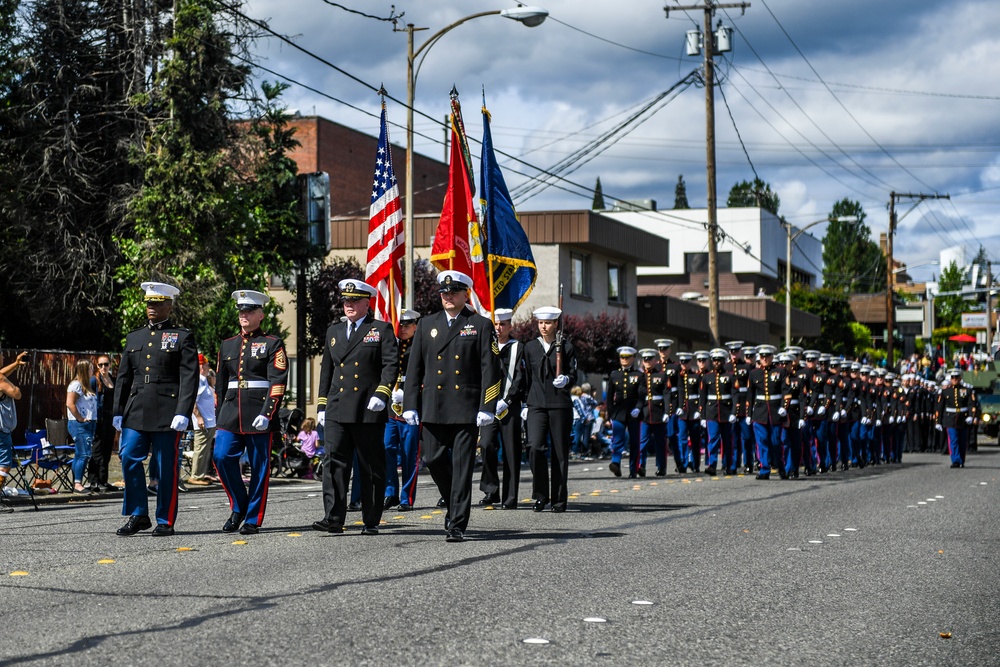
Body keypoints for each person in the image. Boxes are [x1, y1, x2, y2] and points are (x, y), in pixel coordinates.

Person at [403, 270, 500, 540]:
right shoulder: (426, 324)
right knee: (432, 459)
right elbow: (415, 368)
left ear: (465, 294)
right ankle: (452, 499)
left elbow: (490, 369)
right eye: (444, 293)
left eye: (454, 292)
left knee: (462, 467)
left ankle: (457, 522)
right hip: (434, 406)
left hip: (466, 408)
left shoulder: (480, 324)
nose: (448, 296)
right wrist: (410, 403)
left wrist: (487, 406)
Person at [113, 281, 199, 536]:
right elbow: (123, 377)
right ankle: (139, 514)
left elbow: (189, 377)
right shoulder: (134, 337)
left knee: (165, 467)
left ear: (169, 306)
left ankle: (165, 519)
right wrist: (118, 410)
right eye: (149, 303)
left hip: (167, 410)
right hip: (137, 408)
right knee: (128, 456)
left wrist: (183, 411)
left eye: (158, 303)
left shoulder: (182, 336)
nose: (152, 307)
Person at [313, 279, 397, 535]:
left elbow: (390, 365)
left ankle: (371, 519)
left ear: (367, 303)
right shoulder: (334, 331)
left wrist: (382, 393)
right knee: (334, 462)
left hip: (367, 407)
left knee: (370, 464)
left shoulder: (380, 329)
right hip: (338, 406)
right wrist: (321, 406)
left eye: (354, 300)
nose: (349, 305)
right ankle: (334, 517)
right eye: (346, 300)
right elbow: (327, 370)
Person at [214, 289, 288, 535]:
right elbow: (221, 384)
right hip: (231, 410)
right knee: (221, 456)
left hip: (259, 411)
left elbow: (278, 381)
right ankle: (239, 505)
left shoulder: (272, 343)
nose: (244, 314)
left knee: (259, 467)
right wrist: (219, 412)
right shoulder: (227, 345)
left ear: (260, 314)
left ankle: (253, 518)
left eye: (249, 310)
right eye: (241, 310)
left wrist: (267, 412)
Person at [522, 305, 578, 512]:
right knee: (535, 447)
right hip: (536, 404)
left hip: (559, 405)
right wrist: (524, 403)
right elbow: (526, 377)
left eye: (547, 323)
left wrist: (566, 379)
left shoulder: (566, 346)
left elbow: (574, 374)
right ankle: (541, 494)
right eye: (540, 323)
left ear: (556, 324)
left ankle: (559, 499)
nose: (543, 327)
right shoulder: (529, 347)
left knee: (560, 453)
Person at [478, 307, 526, 509]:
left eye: (503, 324)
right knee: (486, 445)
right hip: (489, 405)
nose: (499, 328)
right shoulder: (486, 346)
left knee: (511, 450)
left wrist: (507, 400)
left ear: (510, 326)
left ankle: (510, 496)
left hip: (509, 405)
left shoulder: (518, 347)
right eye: (496, 324)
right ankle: (491, 490)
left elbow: (521, 377)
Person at [384, 309, 421, 511]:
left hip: (411, 409)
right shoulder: (392, 347)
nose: (403, 329)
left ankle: (407, 497)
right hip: (391, 408)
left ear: (416, 326)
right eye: (400, 325)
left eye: (407, 325)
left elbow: (427, 378)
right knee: (387, 448)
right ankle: (390, 493)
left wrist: (407, 394)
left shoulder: (421, 348)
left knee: (409, 454)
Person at [745, 345, 785, 480]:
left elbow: (786, 391)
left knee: (775, 442)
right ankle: (764, 469)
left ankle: (780, 466)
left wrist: (784, 407)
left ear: (772, 357)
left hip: (775, 411)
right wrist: (748, 414)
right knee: (761, 441)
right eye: (762, 357)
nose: (765, 359)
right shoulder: (754, 373)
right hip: (760, 412)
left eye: (767, 356)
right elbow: (750, 395)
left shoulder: (780, 372)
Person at [700, 348, 738, 476]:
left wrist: (734, 412)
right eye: (715, 360)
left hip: (726, 412)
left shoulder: (730, 376)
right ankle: (712, 465)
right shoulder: (707, 377)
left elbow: (735, 395)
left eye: (719, 360)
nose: (716, 363)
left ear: (723, 361)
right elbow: (703, 397)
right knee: (713, 440)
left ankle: (729, 465)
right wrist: (703, 416)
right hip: (712, 412)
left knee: (728, 441)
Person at [607, 346, 642, 478]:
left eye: (627, 357)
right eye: (622, 357)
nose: (624, 360)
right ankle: (616, 463)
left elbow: (642, 395)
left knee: (634, 442)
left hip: (634, 413)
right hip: (618, 412)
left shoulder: (639, 375)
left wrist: (638, 408)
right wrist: (610, 414)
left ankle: (633, 469)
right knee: (618, 439)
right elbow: (610, 396)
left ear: (632, 358)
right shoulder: (614, 375)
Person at [66, 359, 98, 494]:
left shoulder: (86, 386)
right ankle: (77, 483)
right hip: (79, 424)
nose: (93, 371)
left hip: (90, 423)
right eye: (91, 368)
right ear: (85, 370)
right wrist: (80, 418)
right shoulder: (76, 385)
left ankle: (77, 481)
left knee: (83, 453)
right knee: (83, 454)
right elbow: (70, 403)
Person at [0, 352, 27, 512]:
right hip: (1, 429)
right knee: (4, 464)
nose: (3, 357)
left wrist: (16, 364)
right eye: (1, 354)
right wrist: (12, 384)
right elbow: (17, 394)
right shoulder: (1, 380)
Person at [934, 368, 977, 468]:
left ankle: (961, 459)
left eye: (956, 377)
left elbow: (971, 404)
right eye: (952, 377)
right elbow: (939, 407)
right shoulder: (945, 392)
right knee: (953, 440)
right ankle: (956, 460)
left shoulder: (967, 390)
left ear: (960, 378)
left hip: (963, 418)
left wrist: (971, 416)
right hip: (950, 418)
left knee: (962, 441)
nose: (954, 379)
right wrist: (938, 421)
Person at [636, 348, 669, 476]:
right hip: (644, 413)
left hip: (658, 412)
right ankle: (641, 466)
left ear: (655, 360)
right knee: (642, 442)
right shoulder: (640, 376)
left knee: (660, 442)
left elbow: (666, 394)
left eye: (650, 359)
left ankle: (661, 467)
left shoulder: (662, 375)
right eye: (645, 360)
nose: (648, 362)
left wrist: (667, 412)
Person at [88, 354, 118, 493]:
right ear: (97, 366)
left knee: (107, 450)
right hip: (99, 419)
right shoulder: (94, 380)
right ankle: (94, 481)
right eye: (100, 365)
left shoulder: (113, 380)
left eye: (106, 364)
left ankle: (104, 480)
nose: (103, 367)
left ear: (110, 365)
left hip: (110, 419)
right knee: (97, 450)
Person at [186, 353, 217, 486]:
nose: (208, 367)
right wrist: (198, 417)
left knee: (205, 450)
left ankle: (202, 474)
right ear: (201, 366)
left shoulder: (204, 380)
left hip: (209, 421)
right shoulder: (197, 380)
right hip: (203, 421)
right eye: (206, 365)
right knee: (200, 449)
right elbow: (193, 401)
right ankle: (196, 476)